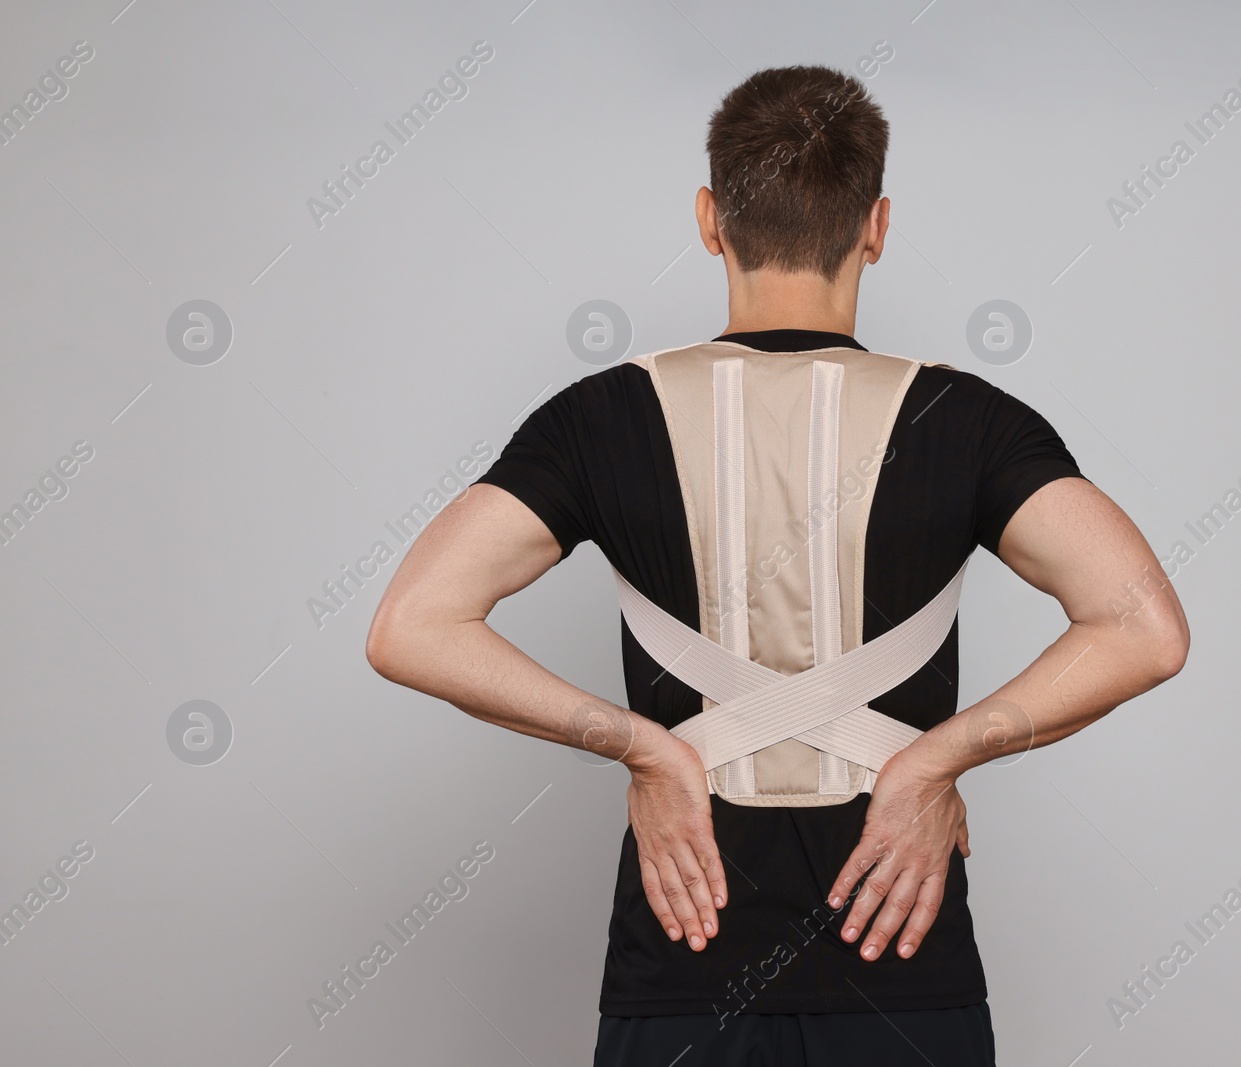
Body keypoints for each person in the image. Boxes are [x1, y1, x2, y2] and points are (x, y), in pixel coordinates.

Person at [365, 64, 1189, 1067]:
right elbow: (1143, 628)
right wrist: (938, 758)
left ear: (711, 219)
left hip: (682, 961)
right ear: (875, 225)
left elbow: (412, 626)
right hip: (900, 963)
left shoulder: (599, 418)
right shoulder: (966, 420)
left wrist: (644, 746)